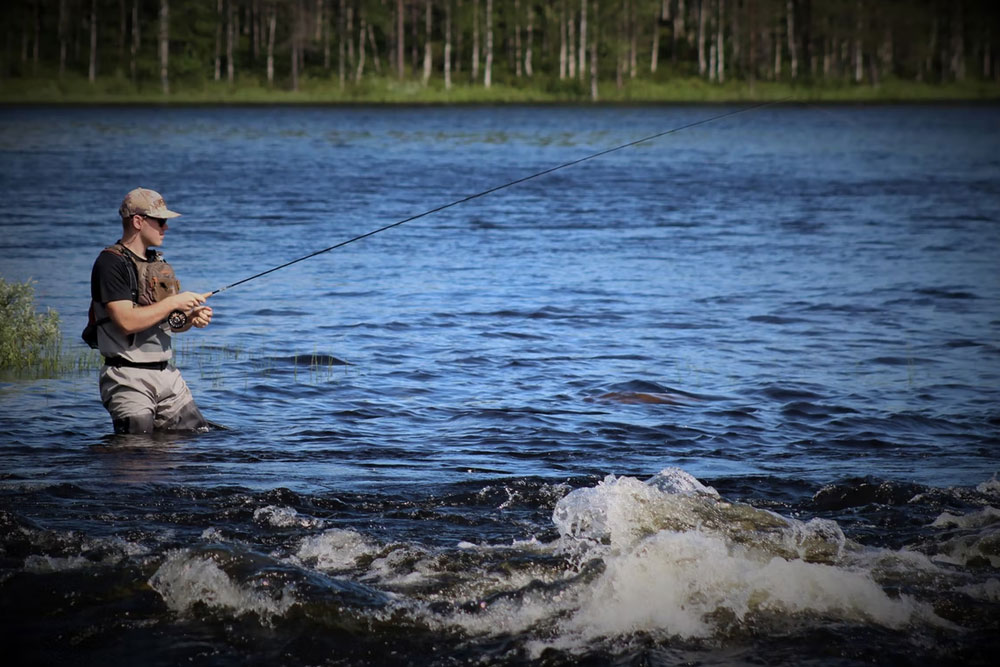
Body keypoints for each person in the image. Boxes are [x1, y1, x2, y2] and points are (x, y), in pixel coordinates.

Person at [88, 187, 213, 434]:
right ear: (138, 221)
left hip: (167, 376)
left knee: (197, 441)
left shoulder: (159, 264)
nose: (166, 227)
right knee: (136, 455)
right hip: (128, 378)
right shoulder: (110, 264)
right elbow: (126, 322)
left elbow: (168, 322)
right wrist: (173, 303)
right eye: (161, 221)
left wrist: (189, 319)